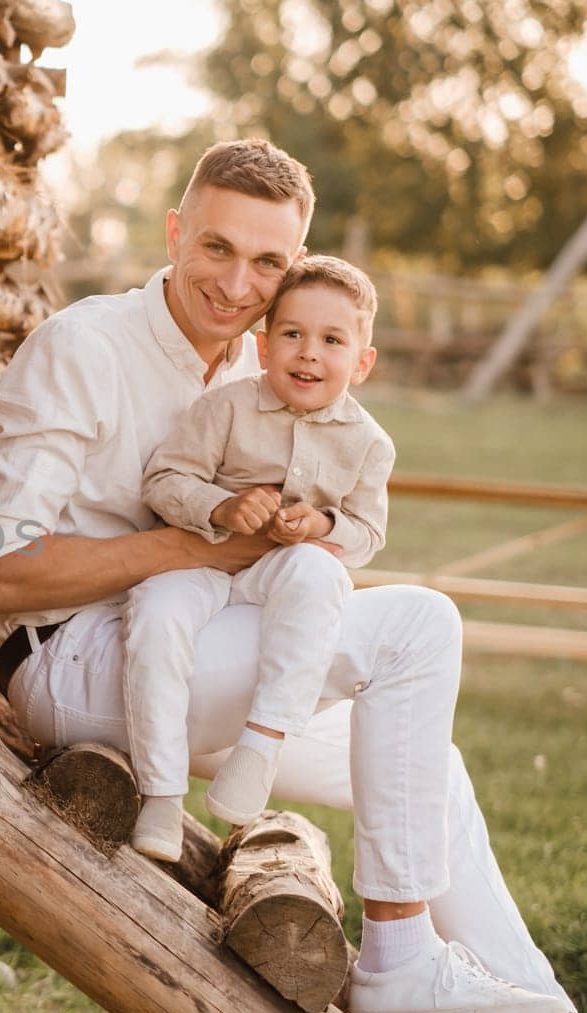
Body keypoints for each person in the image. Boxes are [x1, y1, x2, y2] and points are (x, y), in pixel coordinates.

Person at [0, 140, 587, 1013]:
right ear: (175, 232)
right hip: (69, 664)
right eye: (218, 248)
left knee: (432, 768)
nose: (237, 283)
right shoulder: (84, 346)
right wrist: (212, 540)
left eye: (268, 262)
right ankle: (394, 957)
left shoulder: (258, 373)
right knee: (418, 624)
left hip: (210, 654)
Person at [126, 255, 392, 864]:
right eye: (293, 335)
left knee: (321, 571)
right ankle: (161, 794)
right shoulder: (226, 407)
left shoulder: (370, 443)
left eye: (332, 340)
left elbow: (367, 534)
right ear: (262, 345)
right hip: (198, 561)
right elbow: (164, 479)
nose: (309, 354)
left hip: (279, 573)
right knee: (155, 616)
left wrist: (323, 524)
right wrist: (220, 507)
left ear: (362, 362)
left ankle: (262, 744)